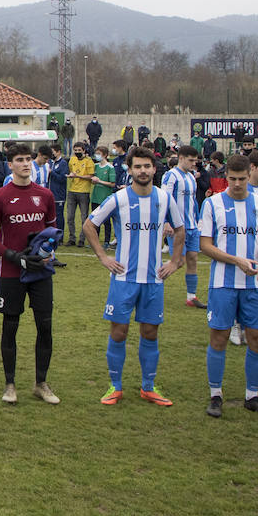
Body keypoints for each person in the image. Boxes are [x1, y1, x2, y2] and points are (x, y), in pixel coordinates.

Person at [83, 146, 185, 407]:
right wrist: (103, 257)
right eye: (137, 166)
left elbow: (181, 228)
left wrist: (175, 261)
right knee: (119, 332)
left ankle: (148, 387)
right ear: (129, 170)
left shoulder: (164, 198)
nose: (142, 171)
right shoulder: (118, 199)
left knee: (150, 333)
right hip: (123, 279)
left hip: (153, 279)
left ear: (154, 169)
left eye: (147, 166)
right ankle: (115, 386)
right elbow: (89, 225)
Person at [196, 154, 258, 418]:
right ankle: (215, 394)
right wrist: (236, 261)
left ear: (250, 173)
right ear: (226, 177)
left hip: (254, 285)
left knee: (257, 339)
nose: (238, 184)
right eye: (232, 179)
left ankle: (252, 395)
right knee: (219, 338)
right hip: (222, 284)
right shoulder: (212, 204)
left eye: (242, 179)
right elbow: (205, 245)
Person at [0, 143, 60, 404]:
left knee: (45, 326)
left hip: (41, 272)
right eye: (20, 159)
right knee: (10, 327)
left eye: (29, 159)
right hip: (12, 272)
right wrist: (14, 256)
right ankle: (10, 385)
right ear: (11, 164)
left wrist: (46, 252)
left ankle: (41, 383)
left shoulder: (45, 195)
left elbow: (52, 232)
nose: (26, 163)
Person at [160, 146, 205, 310]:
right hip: (178, 227)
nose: (194, 164)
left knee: (193, 259)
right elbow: (164, 199)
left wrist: (198, 221)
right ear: (181, 158)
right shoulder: (170, 176)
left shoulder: (192, 177)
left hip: (192, 226)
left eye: (195, 161)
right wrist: (167, 221)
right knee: (178, 261)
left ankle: (191, 297)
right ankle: (150, 280)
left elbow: (194, 202)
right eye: (191, 160)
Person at [64, 142, 96, 248]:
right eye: (75, 150)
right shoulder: (72, 160)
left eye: (79, 150)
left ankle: (82, 239)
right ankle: (72, 238)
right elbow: (70, 171)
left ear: (84, 150)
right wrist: (71, 176)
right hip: (72, 191)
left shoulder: (89, 161)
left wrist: (77, 175)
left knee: (83, 217)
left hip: (84, 192)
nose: (77, 152)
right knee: (70, 217)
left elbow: (91, 176)